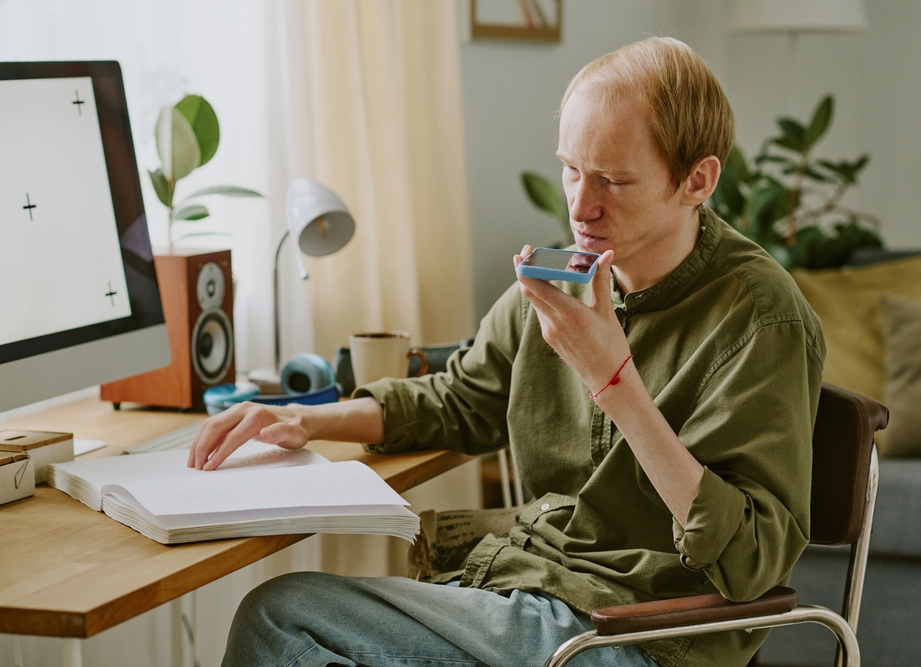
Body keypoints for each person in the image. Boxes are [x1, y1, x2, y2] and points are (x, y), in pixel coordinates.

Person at [190, 36, 825, 667]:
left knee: (281, 619)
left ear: (697, 180)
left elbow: (748, 562)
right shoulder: (569, 275)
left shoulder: (761, 318)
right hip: (531, 591)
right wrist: (305, 419)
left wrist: (612, 379)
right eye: (571, 170)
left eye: (614, 180)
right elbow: (464, 397)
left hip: (637, 635)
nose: (580, 206)